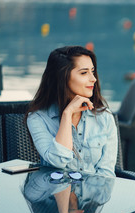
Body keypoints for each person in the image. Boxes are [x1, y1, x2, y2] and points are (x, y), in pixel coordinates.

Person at [26, 46, 117, 177]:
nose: (93, 79)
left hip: (92, 195)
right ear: (62, 77)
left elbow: (106, 174)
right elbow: (58, 161)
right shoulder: (37, 118)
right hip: (54, 194)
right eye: (84, 73)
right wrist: (67, 114)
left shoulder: (104, 116)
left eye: (92, 71)